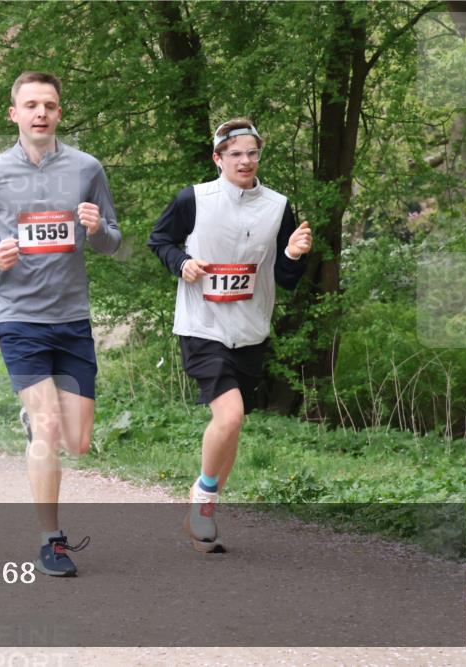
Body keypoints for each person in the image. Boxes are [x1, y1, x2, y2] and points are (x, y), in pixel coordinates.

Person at [0, 72, 122, 576]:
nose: (41, 113)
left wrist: (97, 228)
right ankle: (52, 540)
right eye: (31, 105)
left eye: (49, 105)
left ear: (59, 113)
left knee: (78, 441)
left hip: (71, 318)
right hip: (19, 317)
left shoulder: (87, 168)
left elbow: (112, 240)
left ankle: (36, 422)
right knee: (49, 428)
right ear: (14, 114)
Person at [147, 119, 313, 553]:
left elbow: (286, 277)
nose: (245, 161)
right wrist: (182, 263)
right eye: (235, 154)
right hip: (202, 326)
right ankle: (202, 497)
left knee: (232, 428)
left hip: (251, 330)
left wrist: (293, 254)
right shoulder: (193, 199)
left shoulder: (278, 206)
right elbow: (159, 240)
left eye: (252, 153)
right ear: (217, 158)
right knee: (231, 415)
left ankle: (204, 513)